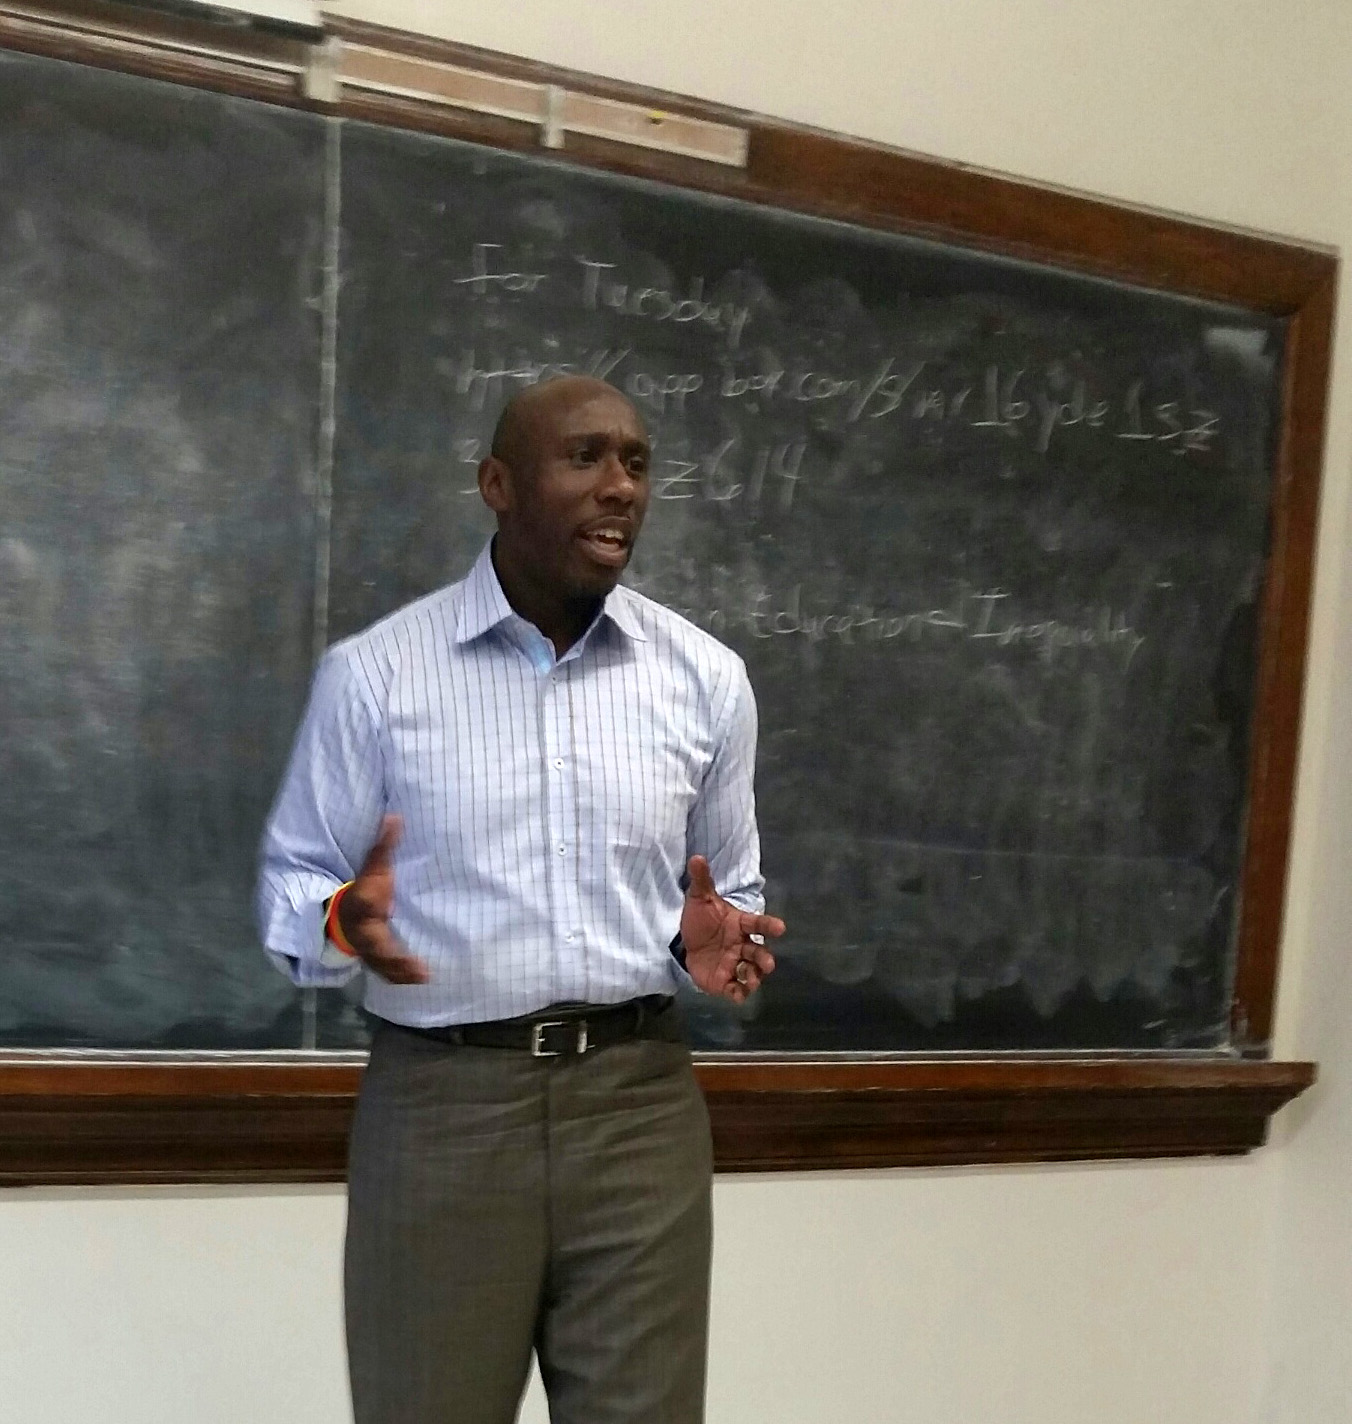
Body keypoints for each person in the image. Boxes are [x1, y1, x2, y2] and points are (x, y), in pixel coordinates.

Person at [256, 375, 785, 1424]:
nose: (619, 485)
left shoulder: (704, 679)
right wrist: (338, 921)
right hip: (444, 1108)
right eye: (584, 457)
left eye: (635, 461)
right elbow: (295, 884)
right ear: (497, 483)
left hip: (638, 1105)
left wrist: (705, 946)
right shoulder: (376, 677)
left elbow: (727, 895)